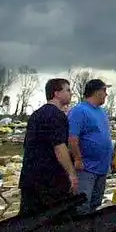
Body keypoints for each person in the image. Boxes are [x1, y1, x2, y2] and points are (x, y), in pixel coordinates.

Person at [18, 78, 78, 216]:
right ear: (56, 93)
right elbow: (59, 147)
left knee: (29, 220)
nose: (71, 93)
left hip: (30, 176)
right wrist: (71, 173)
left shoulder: (36, 114)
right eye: (67, 90)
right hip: (50, 179)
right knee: (56, 218)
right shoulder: (56, 115)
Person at [67, 79, 114, 212]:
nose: (106, 94)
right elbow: (72, 138)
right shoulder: (79, 111)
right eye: (104, 90)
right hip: (86, 168)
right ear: (96, 91)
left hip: (102, 167)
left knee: (96, 203)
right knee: (82, 204)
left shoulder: (102, 112)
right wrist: (78, 158)